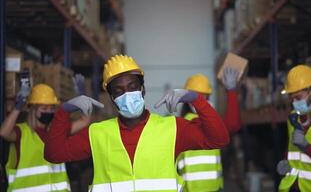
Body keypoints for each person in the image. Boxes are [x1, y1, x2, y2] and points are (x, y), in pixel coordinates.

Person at [44, 55, 230, 191]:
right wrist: (64, 111)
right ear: (111, 98)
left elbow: (219, 139)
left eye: (132, 87)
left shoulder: (172, 128)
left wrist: (196, 99)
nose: (127, 94)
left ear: (143, 89)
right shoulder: (97, 134)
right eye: (119, 90)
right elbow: (53, 153)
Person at [0, 83, 81, 192]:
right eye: (44, 108)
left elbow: (84, 121)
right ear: (32, 109)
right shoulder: (22, 133)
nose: (49, 111)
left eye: (52, 108)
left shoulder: (56, 132)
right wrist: (17, 107)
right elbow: (4, 133)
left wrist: (82, 99)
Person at [177, 68, 242, 191]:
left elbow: (232, 125)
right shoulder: (183, 125)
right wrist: (231, 91)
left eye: (203, 97)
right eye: (196, 97)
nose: (199, 101)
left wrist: (231, 91)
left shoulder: (210, 124)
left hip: (212, 188)